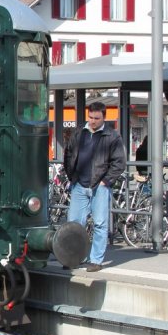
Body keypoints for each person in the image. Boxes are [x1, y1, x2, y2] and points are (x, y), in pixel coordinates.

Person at [62, 101, 126, 272]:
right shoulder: (78, 133)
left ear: (104, 118)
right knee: (74, 224)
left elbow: (119, 162)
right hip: (79, 185)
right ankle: (74, 258)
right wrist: (72, 176)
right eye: (90, 117)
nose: (92, 121)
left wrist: (106, 181)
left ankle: (95, 260)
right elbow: (68, 154)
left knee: (100, 224)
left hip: (100, 185)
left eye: (96, 118)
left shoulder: (112, 136)